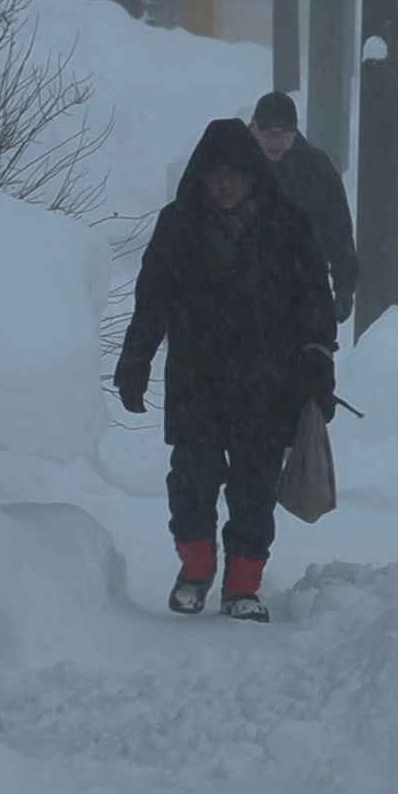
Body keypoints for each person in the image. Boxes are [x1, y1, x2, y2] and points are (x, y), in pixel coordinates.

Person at [114, 118, 338, 623]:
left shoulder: (288, 224)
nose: (226, 183)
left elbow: (315, 302)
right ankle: (195, 572)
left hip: (268, 381)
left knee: (254, 487)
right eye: (216, 173)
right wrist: (136, 360)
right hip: (198, 377)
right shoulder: (178, 224)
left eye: (236, 172)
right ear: (200, 175)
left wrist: (318, 360)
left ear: (255, 174)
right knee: (192, 479)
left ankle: (242, 587)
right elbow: (152, 300)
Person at [248, 92, 359, 326]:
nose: (276, 141)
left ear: (296, 131)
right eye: (270, 133)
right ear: (254, 126)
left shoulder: (316, 168)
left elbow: (337, 229)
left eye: (285, 133)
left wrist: (344, 286)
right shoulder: (231, 164)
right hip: (240, 294)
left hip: (303, 290)